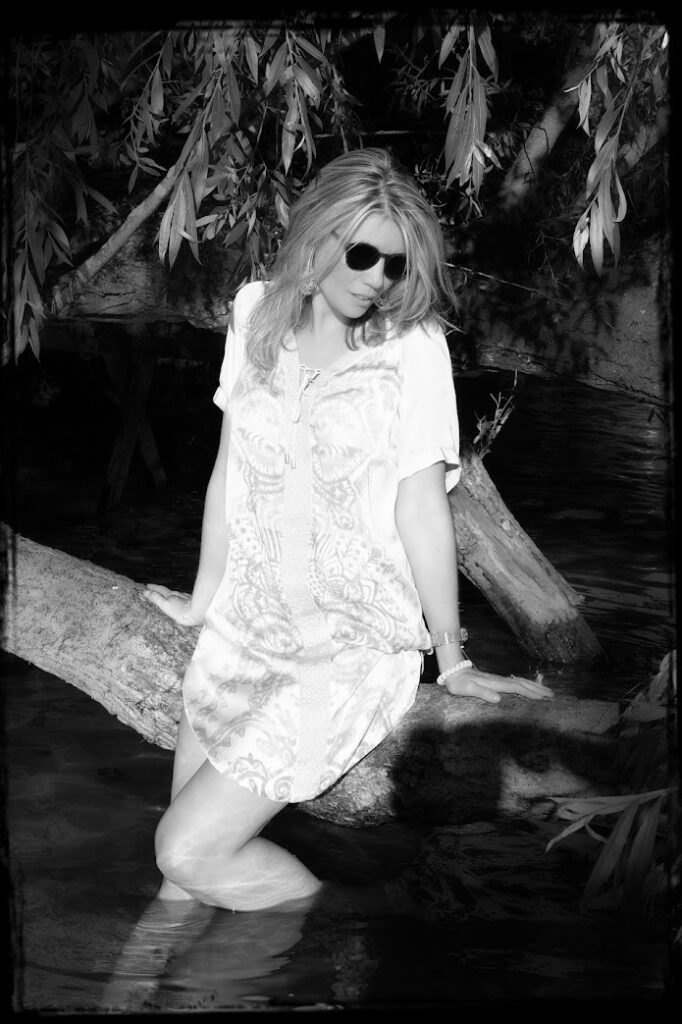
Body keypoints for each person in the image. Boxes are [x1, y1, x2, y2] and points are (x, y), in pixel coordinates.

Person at [143, 147, 553, 914]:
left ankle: (329, 922)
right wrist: (203, 600)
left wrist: (453, 660)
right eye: (363, 254)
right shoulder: (255, 312)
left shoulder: (413, 349)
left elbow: (422, 509)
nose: (378, 278)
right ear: (317, 238)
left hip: (347, 645)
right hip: (244, 623)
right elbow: (230, 472)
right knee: (183, 871)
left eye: (395, 264)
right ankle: (135, 975)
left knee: (187, 850)